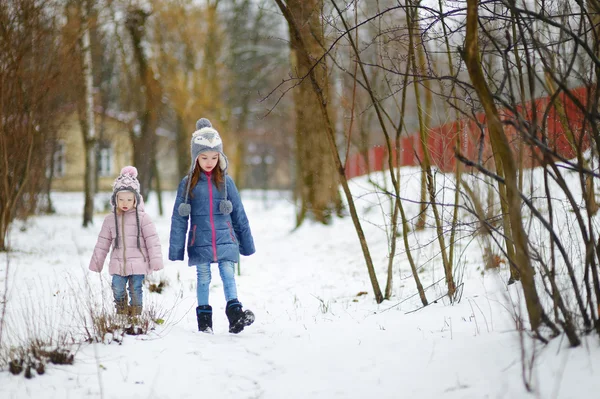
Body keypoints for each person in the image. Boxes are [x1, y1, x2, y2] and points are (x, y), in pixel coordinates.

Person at [169, 118, 255, 334]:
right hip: (201, 240)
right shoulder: (188, 183)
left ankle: (236, 316)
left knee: (228, 273)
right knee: (204, 277)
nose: (209, 162)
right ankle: (204, 321)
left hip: (226, 238)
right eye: (204, 157)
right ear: (195, 158)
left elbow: (239, 213)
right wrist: (176, 249)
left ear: (220, 157)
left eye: (214, 157)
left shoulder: (226, 182)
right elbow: (179, 219)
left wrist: (246, 243)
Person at [89, 166, 164, 316]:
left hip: (138, 262)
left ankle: (135, 314)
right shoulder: (110, 220)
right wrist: (97, 263)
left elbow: (152, 241)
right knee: (117, 287)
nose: (125, 202)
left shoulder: (143, 218)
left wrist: (156, 261)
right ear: (115, 199)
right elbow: (102, 243)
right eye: (121, 199)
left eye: (129, 199)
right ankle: (122, 311)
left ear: (136, 199)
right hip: (118, 263)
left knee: (135, 288)